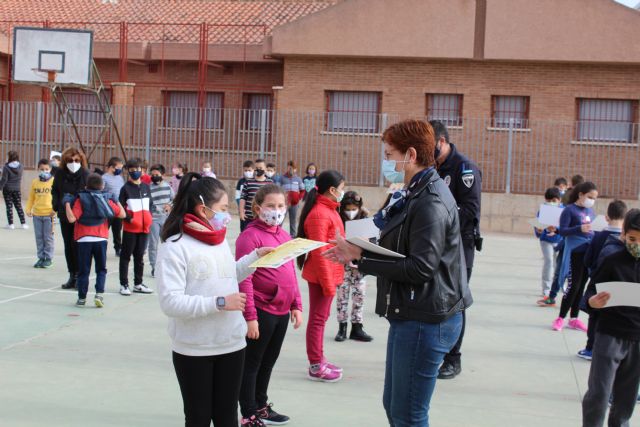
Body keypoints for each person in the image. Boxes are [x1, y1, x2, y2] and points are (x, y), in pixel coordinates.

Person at [324, 119, 471, 426]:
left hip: (425, 318)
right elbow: (393, 234)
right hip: (413, 313)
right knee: (395, 406)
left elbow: (421, 267)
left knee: (408, 416)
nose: (387, 161)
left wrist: (360, 259)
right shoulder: (411, 191)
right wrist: (358, 246)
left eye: (390, 154)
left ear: (411, 155)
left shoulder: (429, 200)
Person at [155, 172, 273, 427]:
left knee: (227, 417)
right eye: (222, 209)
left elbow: (228, 275)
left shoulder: (217, 240)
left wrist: (256, 257)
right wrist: (219, 303)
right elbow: (170, 302)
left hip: (231, 343)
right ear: (203, 209)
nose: (226, 216)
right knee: (198, 417)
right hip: (194, 348)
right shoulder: (174, 245)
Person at [236, 184, 303, 427]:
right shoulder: (249, 236)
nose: (277, 211)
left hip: (282, 311)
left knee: (268, 361)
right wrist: (250, 316)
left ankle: (261, 405)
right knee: (251, 363)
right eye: (271, 206)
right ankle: (249, 413)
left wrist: (296, 304)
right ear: (257, 208)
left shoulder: (284, 236)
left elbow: (290, 273)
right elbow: (245, 278)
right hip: (261, 310)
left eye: (281, 206)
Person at [430, 119, 482, 380]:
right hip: (435, 245)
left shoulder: (464, 169)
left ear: (441, 141)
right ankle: (437, 351)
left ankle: (453, 358)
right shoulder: (433, 168)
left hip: (460, 246)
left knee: (455, 302)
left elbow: (470, 211)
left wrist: (437, 217)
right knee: (435, 299)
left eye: (429, 146)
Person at [581, 208, 640, 427]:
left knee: (626, 399)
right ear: (623, 234)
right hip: (609, 335)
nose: (636, 245)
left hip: (637, 339)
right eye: (632, 239)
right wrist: (592, 302)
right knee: (599, 394)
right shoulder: (612, 260)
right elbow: (589, 294)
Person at [296, 170, 346, 382]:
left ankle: (319, 359)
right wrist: (328, 284)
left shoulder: (330, 210)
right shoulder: (319, 214)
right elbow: (319, 254)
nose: (343, 193)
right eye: (342, 189)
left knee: (321, 318)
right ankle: (316, 364)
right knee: (317, 319)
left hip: (330, 273)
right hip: (322, 275)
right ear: (332, 190)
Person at [65, 173, 126, 307]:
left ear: (86, 186)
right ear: (102, 186)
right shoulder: (106, 199)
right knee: (101, 269)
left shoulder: (81, 199)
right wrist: (117, 201)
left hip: (83, 239)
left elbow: (72, 218)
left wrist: (67, 204)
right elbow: (122, 214)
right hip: (101, 238)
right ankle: (99, 294)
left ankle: (82, 298)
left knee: (83, 270)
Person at [576, 199, 627, 361]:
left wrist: (592, 272)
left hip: (597, 283)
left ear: (606, 217)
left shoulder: (598, 236)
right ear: (625, 219)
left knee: (595, 316)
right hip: (619, 285)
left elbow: (588, 259)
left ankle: (591, 348)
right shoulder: (626, 241)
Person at [551, 181, 598, 332]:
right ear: (581, 195)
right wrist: (579, 228)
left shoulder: (590, 212)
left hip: (587, 252)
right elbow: (563, 231)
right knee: (573, 286)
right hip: (575, 251)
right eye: (590, 197)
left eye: (595, 198)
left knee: (581, 286)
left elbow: (593, 228)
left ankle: (574, 318)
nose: (592, 200)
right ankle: (560, 318)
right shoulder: (569, 210)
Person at [335, 190, 373, 343]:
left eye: (353, 209)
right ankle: (342, 328)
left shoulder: (364, 220)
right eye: (347, 209)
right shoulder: (338, 219)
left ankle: (357, 328)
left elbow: (371, 241)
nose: (350, 212)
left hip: (359, 266)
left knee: (359, 297)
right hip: (342, 265)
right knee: (342, 297)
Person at [52, 147, 90, 290]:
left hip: (81, 216)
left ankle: (81, 276)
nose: (73, 163)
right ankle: (72, 275)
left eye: (76, 160)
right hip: (64, 214)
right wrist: (56, 205)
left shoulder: (85, 174)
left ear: (81, 160)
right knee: (68, 246)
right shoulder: (60, 174)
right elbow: (55, 190)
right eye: (70, 160)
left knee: (79, 246)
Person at [119, 158, 154, 296]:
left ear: (142, 170)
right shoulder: (125, 188)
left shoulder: (146, 187)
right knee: (126, 256)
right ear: (128, 171)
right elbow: (119, 207)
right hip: (130, 229)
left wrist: (149, 218)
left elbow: (149, 205)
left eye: (137, 169)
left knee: (139, 257)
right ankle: (124, 285)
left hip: (144, 229)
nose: (135, 172)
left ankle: (138, 284)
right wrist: (130, 218)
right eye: (132, 170)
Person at [26, 159, 55, 268]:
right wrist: (28, 209)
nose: (44, 171)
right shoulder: (35, 182)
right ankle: (41, 257)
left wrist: (55, 210)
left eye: (46, 169)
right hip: (37, 214)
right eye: (42, 169)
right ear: (38, 169)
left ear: (50, 169)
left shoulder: (53, 181)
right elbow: (31, 197)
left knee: (48, 237)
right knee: (39, 237)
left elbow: (57, 197)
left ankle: (48, 258)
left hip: (49, 214)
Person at [534, 188, 563, 298]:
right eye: (549, 200)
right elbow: (537, 227)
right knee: (549, 261)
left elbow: (564, 226)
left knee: (558, 264)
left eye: (554, 200)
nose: (552, 203)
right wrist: (539, 230)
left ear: (559, 200)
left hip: (559, 240)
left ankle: (558, 285)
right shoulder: (542, 210)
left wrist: (557, 230)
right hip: (546, 240)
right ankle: (546, 288)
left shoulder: (563, 210)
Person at [149, 164, 174, 277]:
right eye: (152, 175)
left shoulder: (168, 187)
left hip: (165, 219)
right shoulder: (148, 188)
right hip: (153, 219)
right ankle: (154, 267)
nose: (154, 177)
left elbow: (174, 200)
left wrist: (169, 205)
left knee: (166, 243)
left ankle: (167, 266)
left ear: (162, 175)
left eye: (157, 175)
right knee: (153, 244)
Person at [239, 161, 272, 232]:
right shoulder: (248, 182)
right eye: (257, 168)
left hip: (263, 218)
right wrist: (241, 212)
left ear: (265, 169)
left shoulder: (270, 183)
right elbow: (243, 198)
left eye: (261, 168)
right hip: (248, 217)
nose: (258, 169)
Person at [102, 157, 125, 256]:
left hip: (118, 208)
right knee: (104, 230)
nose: (120, 170)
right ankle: (102, 248)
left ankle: (118, 248)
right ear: (111, 167)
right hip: (107, 208)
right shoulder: (104, 178)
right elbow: (101, 192)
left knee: (117, 230)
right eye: (118, 167)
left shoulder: (120, 178)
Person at [0, 150, 27, 230]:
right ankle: (23, 223)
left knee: (9, 206)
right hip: (17, 188)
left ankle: (11, 224)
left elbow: (4, 179)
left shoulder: (6, 167)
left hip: (7, 189)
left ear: (9, 157)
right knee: (18, 206)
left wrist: (0, 187)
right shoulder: (21, 166)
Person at [279, 160, 304, 237]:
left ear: (295, 169)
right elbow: (277, 189)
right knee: (280, 220)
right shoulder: (282, 178)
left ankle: (292, 237)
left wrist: (298, 198)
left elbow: (302, 190)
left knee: (293, 221)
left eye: (293, 168)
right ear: (287, 167)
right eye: (290, 168)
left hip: (294, 204)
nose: (291, 170)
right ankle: (278, 235)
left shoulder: (298, 179)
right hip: (284, 204)